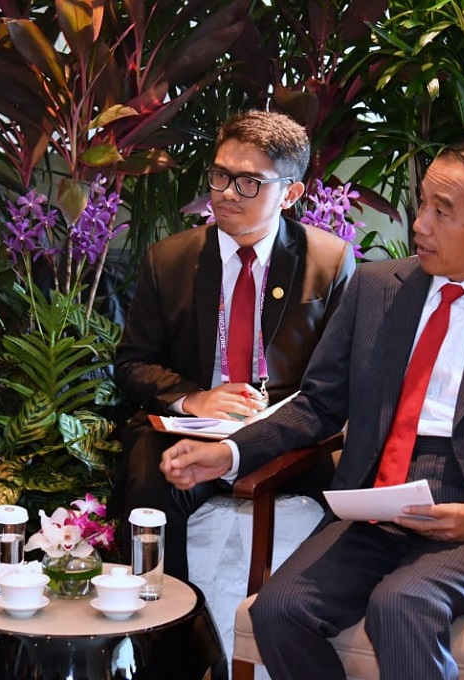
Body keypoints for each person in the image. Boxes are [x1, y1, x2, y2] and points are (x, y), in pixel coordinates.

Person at [161, 140, 464, 679]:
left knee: (401, 606)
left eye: (442, 211)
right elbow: (318, 406)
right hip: (378, 499)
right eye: (423, 203)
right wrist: (228, 453)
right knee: (279, 611)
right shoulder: (376, 288)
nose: (420, 225)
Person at [112, 110, 356, 578]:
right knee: (150, 477)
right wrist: (194, 399)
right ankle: (164, 625)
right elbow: (132, 364)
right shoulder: (172, 259)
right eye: (221, 174)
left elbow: (338, 385)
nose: (225, 192)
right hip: (190, 426)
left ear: (290, 193)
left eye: (248, 182)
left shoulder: (328, 262)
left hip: (287, 432)